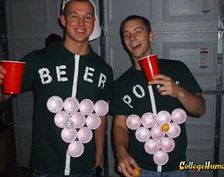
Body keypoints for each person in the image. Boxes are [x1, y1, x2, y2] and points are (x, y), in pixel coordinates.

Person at [0, 0, 113, 177]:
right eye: (74, 16)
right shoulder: (39, 60)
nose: (81, 24)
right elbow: (4, 94)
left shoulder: (103, 69)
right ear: (63, 20)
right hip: (46, 166)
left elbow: (99, 114)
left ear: (94, 22)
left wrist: (99, 151)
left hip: (85, 167)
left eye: (88, 17)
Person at [110, 15, 206, 177]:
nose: (132, 38)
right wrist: (121, 153)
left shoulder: (177, 68)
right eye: (126, 34)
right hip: (139, 169)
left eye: (137, 31)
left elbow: (200, 109)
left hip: (177, 168)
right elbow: (119, 125)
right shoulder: (121, 84)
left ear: (150, 35)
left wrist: (178, 91)